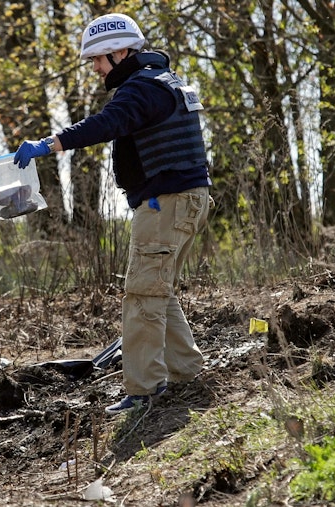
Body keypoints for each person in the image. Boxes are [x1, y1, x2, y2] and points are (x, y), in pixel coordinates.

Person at [14, 13, 211, 415]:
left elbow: (107, 123)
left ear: (121, 52)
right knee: (158, 289)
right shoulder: (164, 82)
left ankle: (144, 390)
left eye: (99, 60)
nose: (96, 69)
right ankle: (186, 370)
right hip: (185, 201)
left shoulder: (141, 89)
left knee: (142, 293)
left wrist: (50, 144)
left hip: (166, 203)